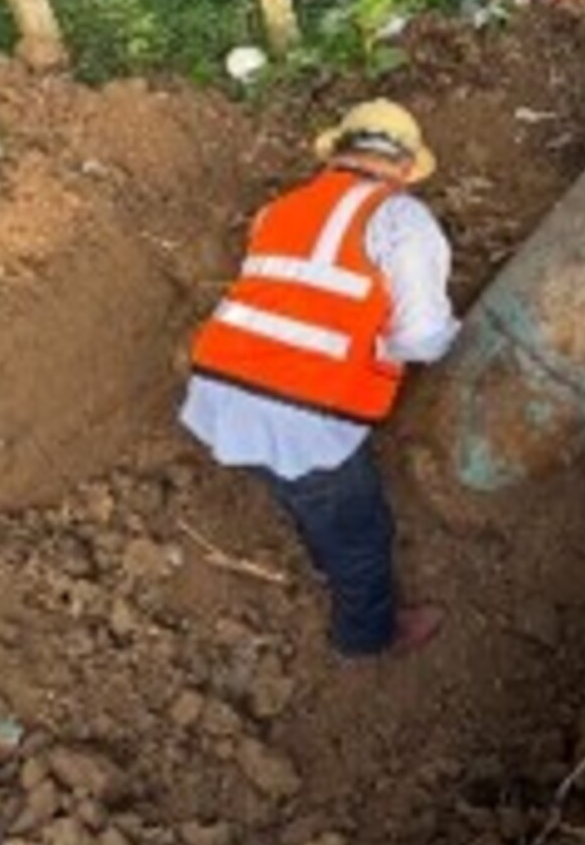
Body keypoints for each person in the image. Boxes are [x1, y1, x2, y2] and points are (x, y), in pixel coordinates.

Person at [179, 99, 460, 658]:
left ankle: (315, 532)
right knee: (360, 534)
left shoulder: (280, 209)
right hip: (299, 411)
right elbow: (424, 335)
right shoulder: (402, 219)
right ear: (404, 169)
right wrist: (390, 349)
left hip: (218, 390)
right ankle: (367, 637)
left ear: (336, 155)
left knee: (304, 493)